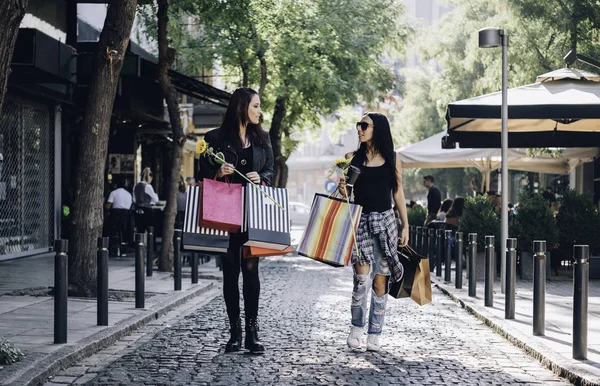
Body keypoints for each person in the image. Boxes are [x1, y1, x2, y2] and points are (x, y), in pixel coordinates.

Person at [198, 87, 274, 354]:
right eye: (255, 106)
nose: (259, 111)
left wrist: (261, 178)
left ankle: (252, 332)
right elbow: (202, 172)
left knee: (251, 270)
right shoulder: (214, 138)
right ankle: (234, 333)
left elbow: (270, 170)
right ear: (242, 107)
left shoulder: (263, 138)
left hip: (253, 211)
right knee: (230, 272)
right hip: (225, 211)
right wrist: (217, 171)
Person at [338, 112, 409, 352]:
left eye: (364, 125)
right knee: (360, 280)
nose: (359, 129)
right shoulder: (351, 158)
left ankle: (375, 333)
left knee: (380, 282)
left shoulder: (393, 158)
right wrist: (342, 188)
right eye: (358, 125)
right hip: (362, 221)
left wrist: (406, 224)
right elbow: (346, 195)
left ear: (376, 128)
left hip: (387, 223)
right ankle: (356, 328)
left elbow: (398, 192)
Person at [105, 177, 133, 254]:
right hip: (126, 220)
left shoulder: (113, 193)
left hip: (115, 219)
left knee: (110, 228)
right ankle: (124, 247)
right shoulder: (128, 194)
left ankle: (111, 246)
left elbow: (107, 206)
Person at [132, 167, 159, 233]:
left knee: (140, 230)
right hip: (147, 210)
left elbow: (134, 199)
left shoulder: (135, 186)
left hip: (138, 210)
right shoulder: (148, 186)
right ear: (150, 177)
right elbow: (156, 200)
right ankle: (150, 242)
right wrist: (155, 195)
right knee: (150, 230)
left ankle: (140, 242)